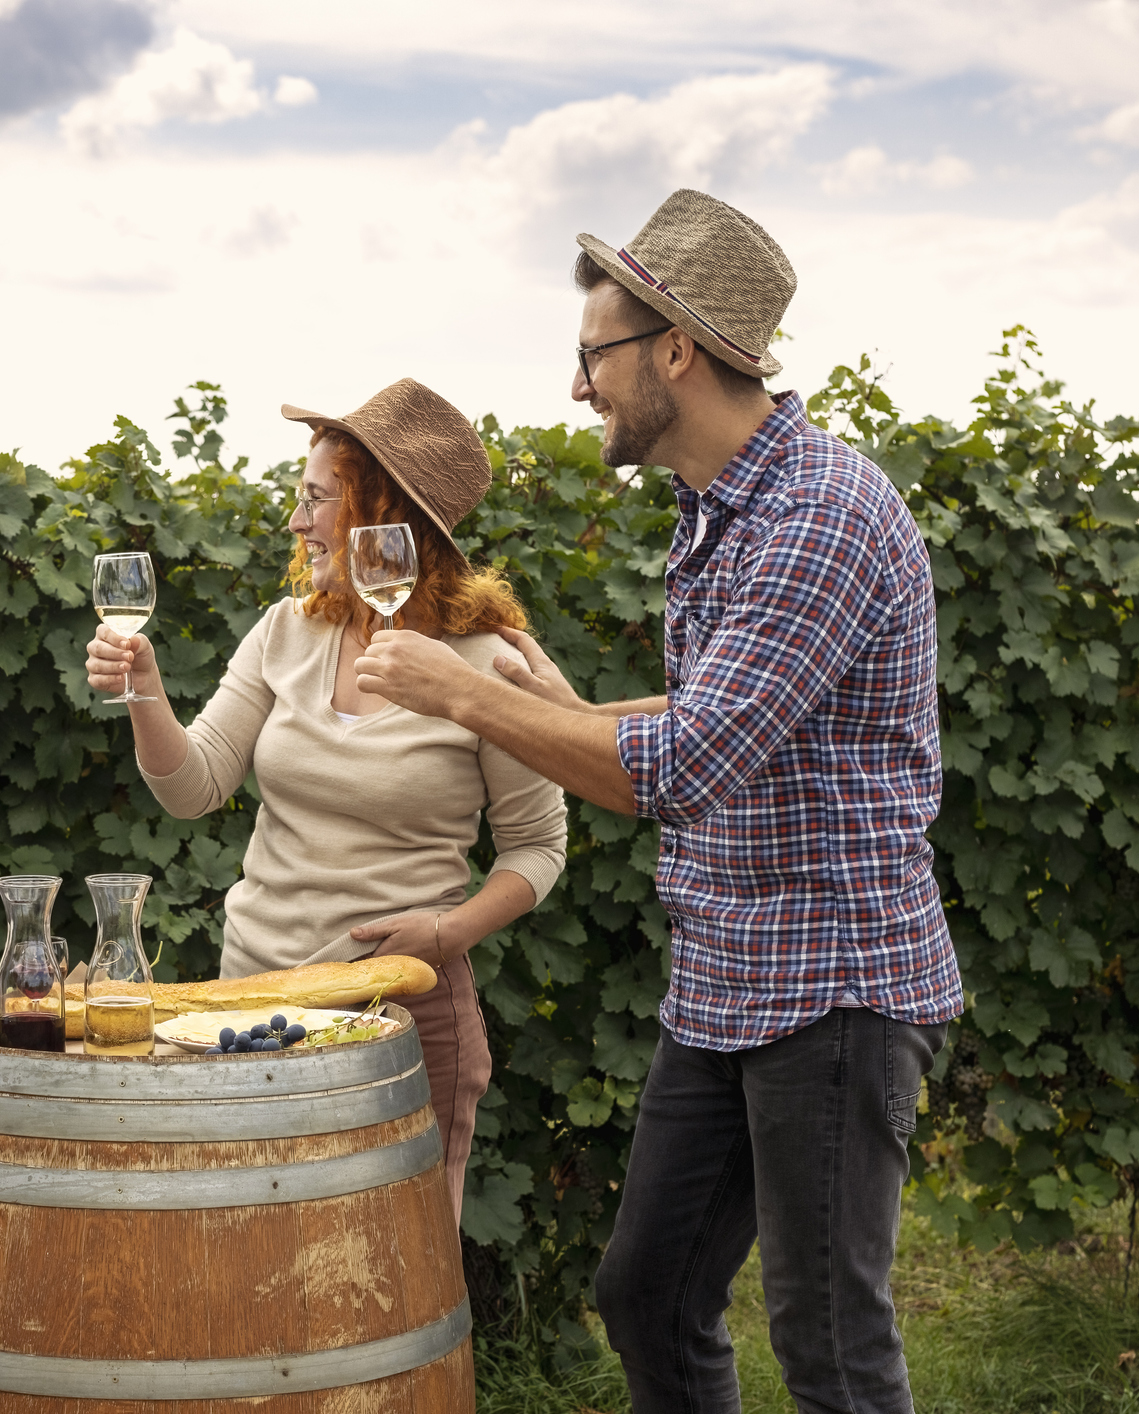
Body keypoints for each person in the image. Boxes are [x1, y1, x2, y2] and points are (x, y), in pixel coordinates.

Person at [353, 189, 963, 1413]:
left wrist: (467, 700)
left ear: (674, 350)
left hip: (831, 984)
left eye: (593, 354)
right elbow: (708, 717)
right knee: (648, 1295)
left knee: (831, 1342)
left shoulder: (817, 516)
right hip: (731, 978)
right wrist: (572, 707)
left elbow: (685, 768)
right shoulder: (717, 512)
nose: (579, 387)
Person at [84, 378, 569, 1219]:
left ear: (383, 517)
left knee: (389, 1285)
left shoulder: (488, 663)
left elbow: (539, 847)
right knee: (247, 1265)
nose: (295, 522)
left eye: (315, 499)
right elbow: (194, 789)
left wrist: (445, 933)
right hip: (249, 1007)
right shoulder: (285, 631)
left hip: (398, 1011)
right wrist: (143, 692)